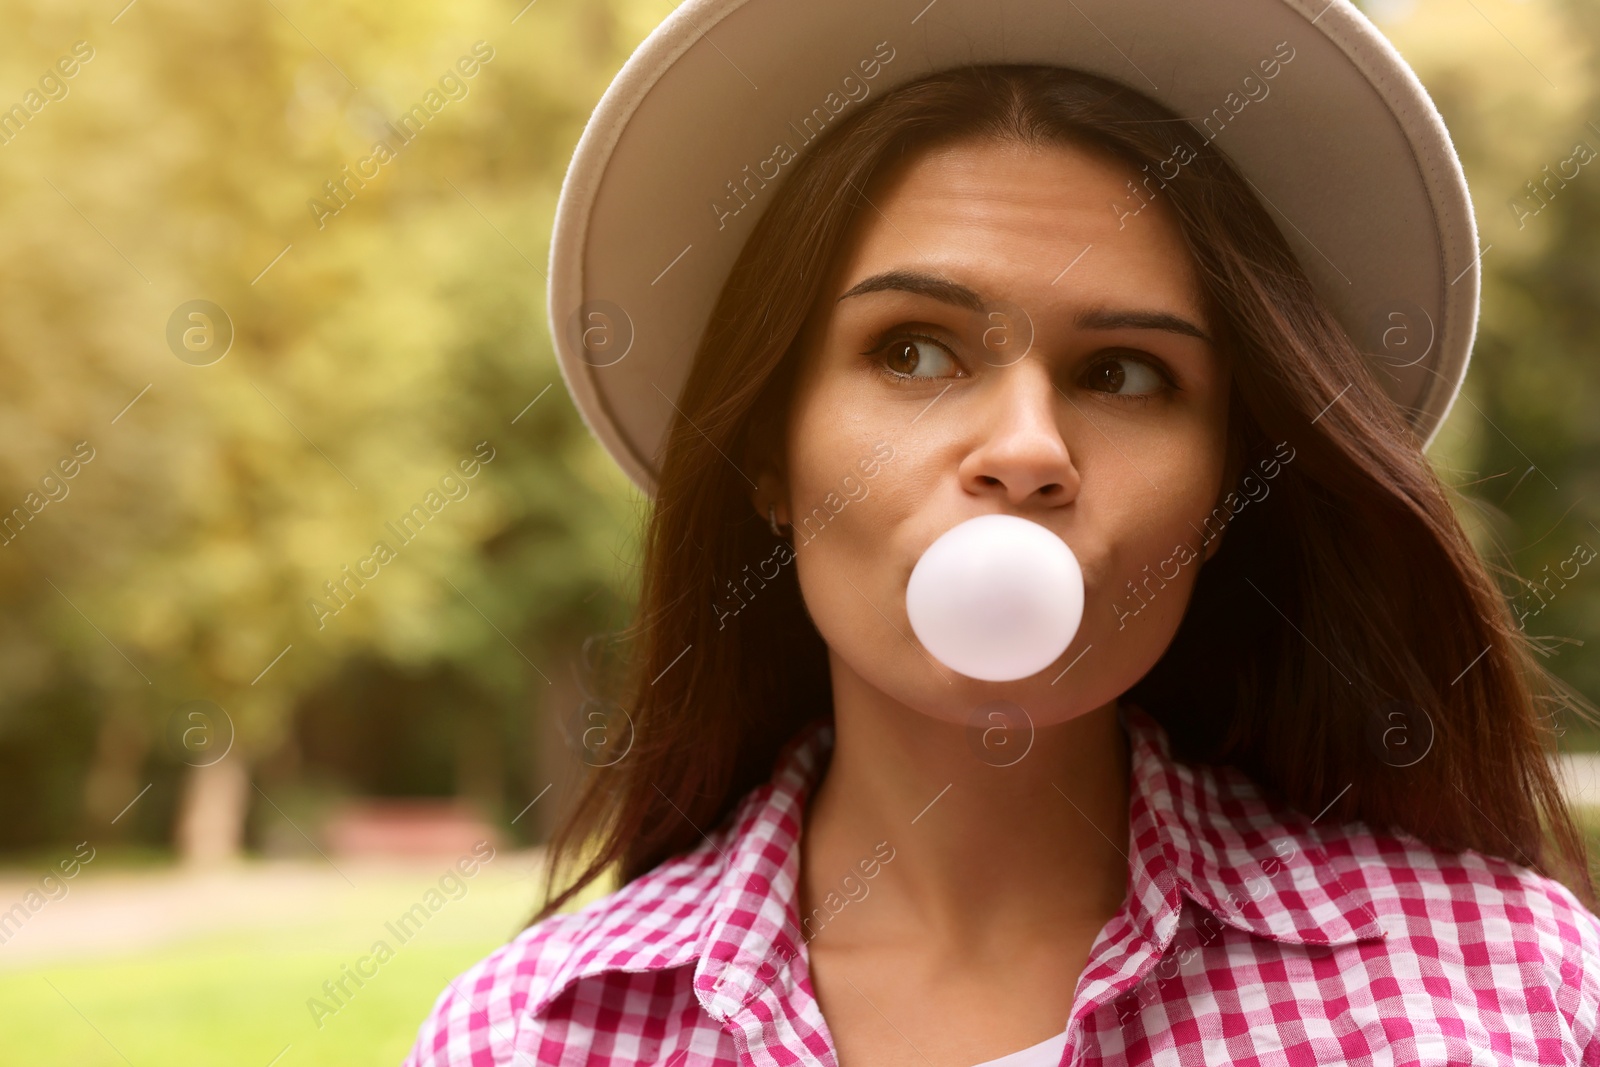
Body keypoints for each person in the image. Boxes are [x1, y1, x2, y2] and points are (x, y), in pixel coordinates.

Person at [404, 3, 1600, 1064]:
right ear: (769, 453)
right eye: (913, 350)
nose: (1027, 446)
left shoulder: (1517, 996)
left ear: (1228, 489)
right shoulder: (527, 1038)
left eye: (1124, 372)